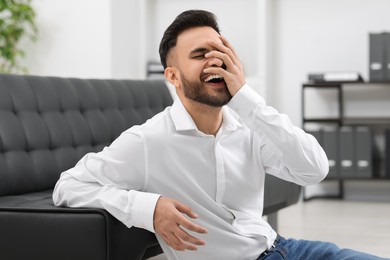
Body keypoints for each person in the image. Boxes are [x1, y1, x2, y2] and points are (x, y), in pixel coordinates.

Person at [53, 9, 386, 260]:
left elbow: (315, 170)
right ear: (173, 75)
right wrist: (147, 207)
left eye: (221, 52)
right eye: (199, 55)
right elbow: (69, 186)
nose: (215, 62)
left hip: (284, 249)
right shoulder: (147, 141)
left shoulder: (249, 126)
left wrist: (245, 97)